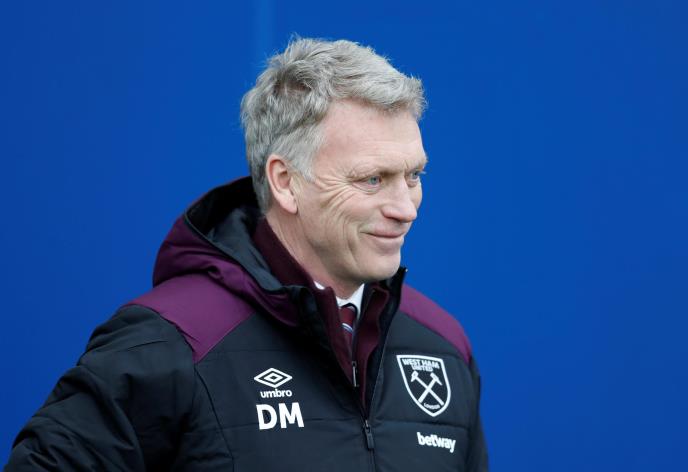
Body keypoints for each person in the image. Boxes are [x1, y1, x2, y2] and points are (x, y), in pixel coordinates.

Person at [6, 38, 488, 471]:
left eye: (414, 176)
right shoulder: (174, 341)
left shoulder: (442, 345)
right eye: (372, 179)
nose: (406, 208)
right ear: (286, 182)